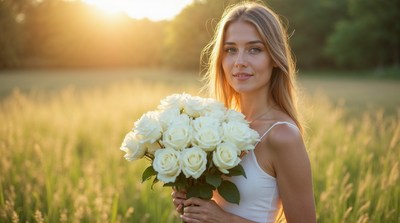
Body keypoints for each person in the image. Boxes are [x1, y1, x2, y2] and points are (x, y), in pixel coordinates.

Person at [171, 2, 316, 223]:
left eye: (254, 49)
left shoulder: (282, 136)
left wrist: (223, 219)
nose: (239, 62)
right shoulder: (216, 127)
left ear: (275, 58)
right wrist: (191, 198)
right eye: (230, 50)